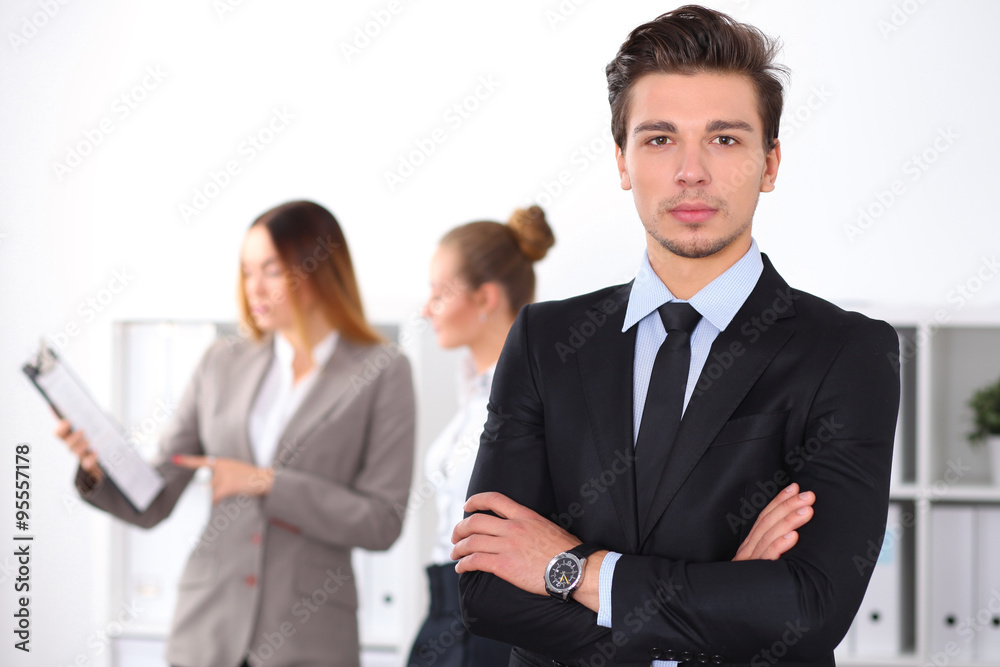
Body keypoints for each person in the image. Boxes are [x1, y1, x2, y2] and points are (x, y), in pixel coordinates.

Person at [451, 6, 900, 667]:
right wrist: (723, 603)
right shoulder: (545, 341)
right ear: (622, 160)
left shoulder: (846, 354)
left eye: (725, 139)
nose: (692, 171)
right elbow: (487, 586)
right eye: (660, 139)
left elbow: (807, 608)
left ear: (770, 163)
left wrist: (568, 568)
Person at [54, 200, 416, 667]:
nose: (254, 288)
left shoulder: (383, 371)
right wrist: (100, 467)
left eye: (270, 269)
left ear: (319, 268)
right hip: (207, 631)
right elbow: (156, 498)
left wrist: (265, 483)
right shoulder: (220, 362)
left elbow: (381, 521)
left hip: (310, 639)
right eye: (247, 272)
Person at [407, 206, 556, 667]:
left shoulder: (538, 394)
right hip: (444, 609)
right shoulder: (473, 393)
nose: (425, 308)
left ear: (485, 297)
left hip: (491, 622)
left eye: (438, 292)